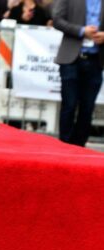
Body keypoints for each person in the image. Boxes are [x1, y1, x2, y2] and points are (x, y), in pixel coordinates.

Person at [53, 0, 104, 146]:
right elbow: (57, 19)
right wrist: (82, 31)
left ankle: (79, 148)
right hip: (71, 59)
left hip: (96, 61)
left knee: (87, 108)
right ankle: (64, 146)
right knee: (69, 105)